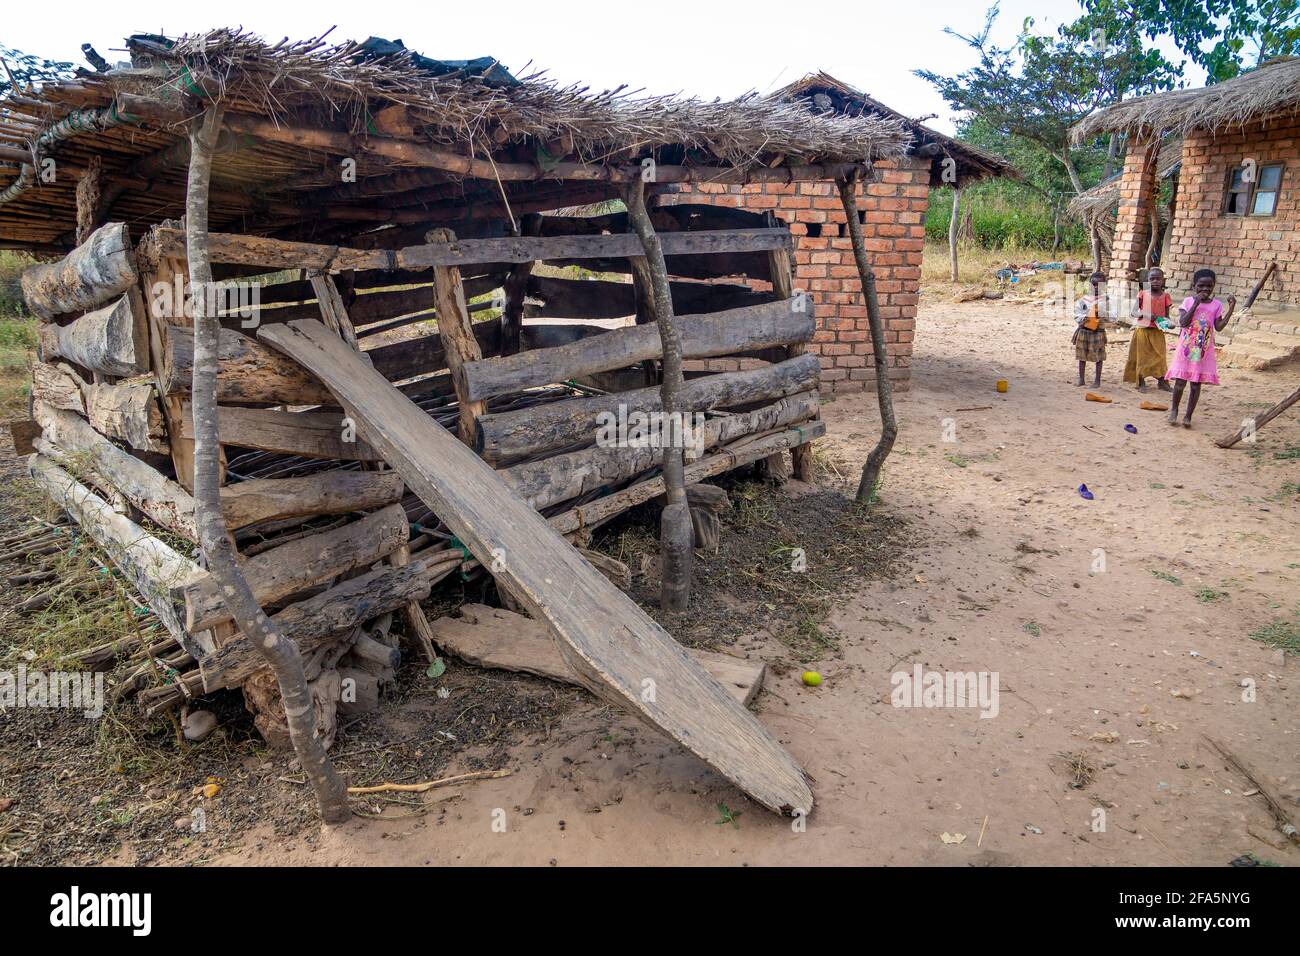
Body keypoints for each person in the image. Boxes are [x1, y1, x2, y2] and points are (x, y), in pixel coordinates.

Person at [1166, 268, 1235, 428]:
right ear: (1194, 285)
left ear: (1214, 286)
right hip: (1185, 350)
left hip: (1202, 352)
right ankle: (1174, 411)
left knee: (1196, 384)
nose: (1205, 289)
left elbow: (1218, 327)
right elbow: (1183, 322)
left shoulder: (1216, 305)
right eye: (1201, 286)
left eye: (1209, 286)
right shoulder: (1188, 302)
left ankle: (1188, 416)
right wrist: (1196, 303)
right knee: (1180, 383)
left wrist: (1231, 309)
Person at [1124, 267, 1172, 391]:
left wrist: (1168, 323)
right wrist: (1146, 314)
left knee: (1160, 357)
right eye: (1152, 279)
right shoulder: (1142, 294)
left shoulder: (1166, 296)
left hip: (1157, 332)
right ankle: (1141, 382)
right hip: (1143, 331)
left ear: (1163, 280)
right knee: (1142, 357)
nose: (1155, 281)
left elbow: (1167, 317)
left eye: (1158, 279)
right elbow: (1134, 312)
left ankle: (1162, 382)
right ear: (1148, 280)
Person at [1073, 271, 1111, 387]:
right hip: (1084, 331)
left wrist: (1103, 315)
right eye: (1093, 284)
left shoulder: (1106, 301)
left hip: (1098, 332)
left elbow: (1113, 316)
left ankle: (1097, 380)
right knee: (1081, 356)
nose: (1096, 287)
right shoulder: (1083, 300)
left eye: (1099, 285)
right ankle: (1081, 379)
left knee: (1099, 357)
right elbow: (1076, 314)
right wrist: (1085, 317)